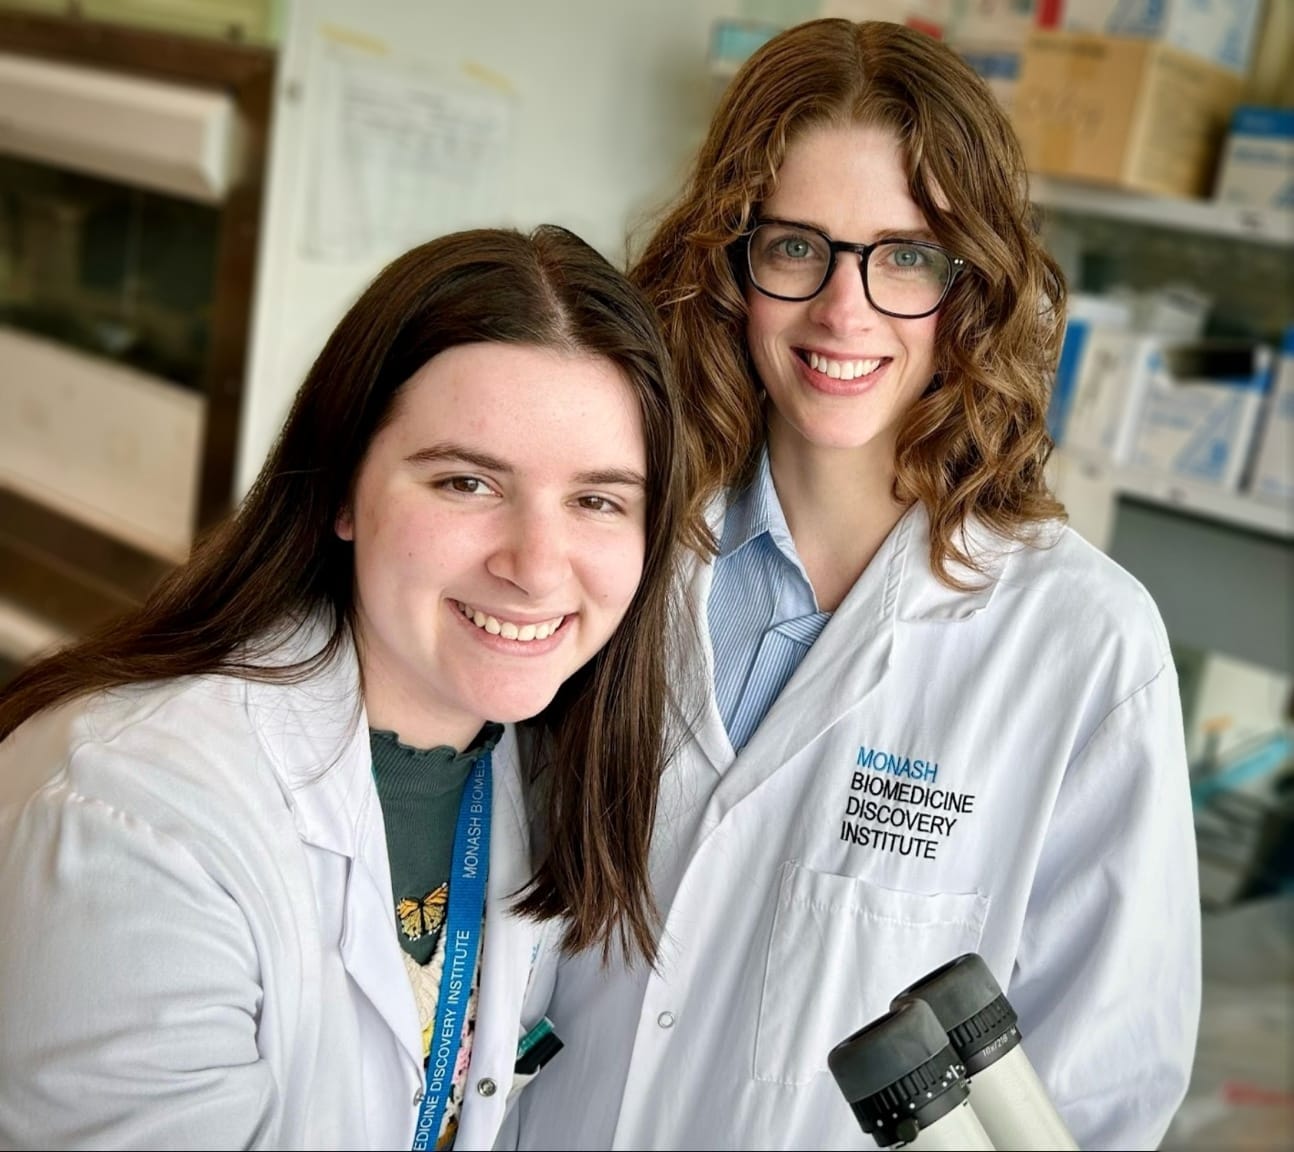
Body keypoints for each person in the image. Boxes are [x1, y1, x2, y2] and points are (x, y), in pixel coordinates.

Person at [512, 19, 1201, 1152]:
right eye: (797, 248)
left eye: (907, 256)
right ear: (729, 261)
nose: (846, 311)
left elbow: (1096, 1088)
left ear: (970, 285)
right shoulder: (616, 545)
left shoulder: (1081, 643)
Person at [0, 224, 693, 1150]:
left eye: (597, 500)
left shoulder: (530, 771)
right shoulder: (137, 814)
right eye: (466, 483)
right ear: (339, 491)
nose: (536, 566)